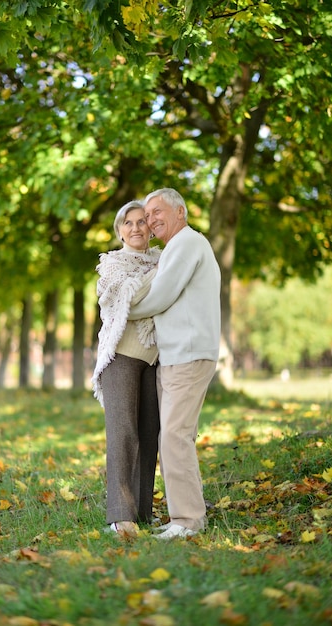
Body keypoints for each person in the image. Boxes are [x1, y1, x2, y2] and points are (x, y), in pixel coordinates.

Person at [128, 188, 221, 540]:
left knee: (175, 437)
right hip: (176, 354)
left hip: (189, 353)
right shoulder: (175, 248)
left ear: (180, 211)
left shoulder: (187, 243)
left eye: (157, 211)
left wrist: (122, 312)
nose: (151, 220)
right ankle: (183, 514)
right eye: (147, 215)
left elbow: (161, 295)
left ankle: (189, 521)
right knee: (175, 437)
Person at [92, 200, 161, 537]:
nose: (135, 228)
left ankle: (142, 515)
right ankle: (119, 517)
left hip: (153, 358)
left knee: (150, 435)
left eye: (141, 222)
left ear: (150, 228)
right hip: (120, 356)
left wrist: (161, 273)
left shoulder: (162, 261)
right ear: (119, 230)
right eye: (128, 223)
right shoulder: (112, 267)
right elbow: (129, 302)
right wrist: (159, 276)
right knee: (123, 435)